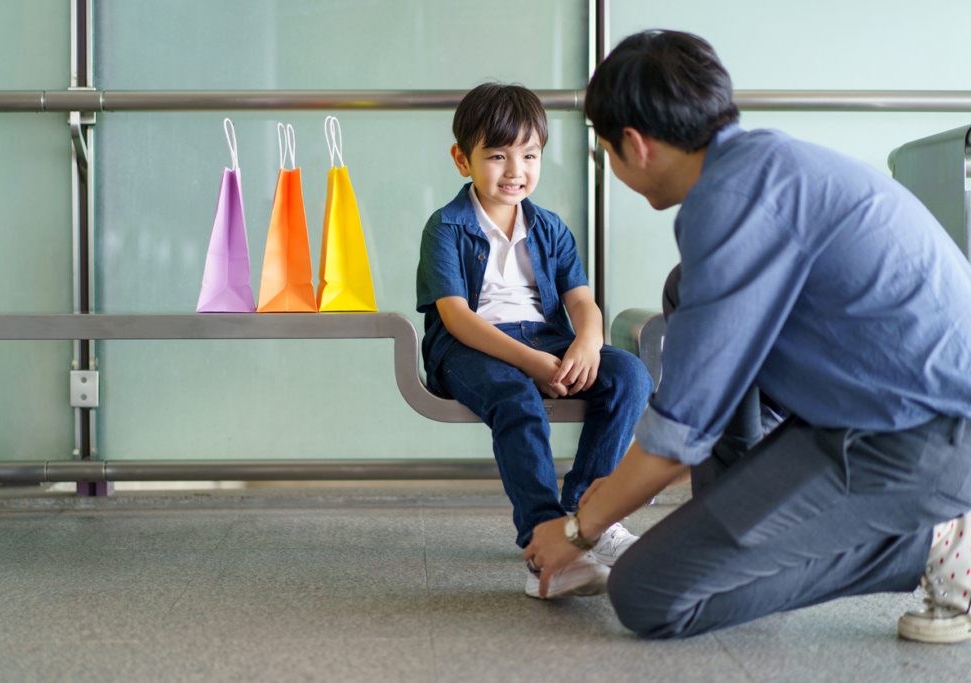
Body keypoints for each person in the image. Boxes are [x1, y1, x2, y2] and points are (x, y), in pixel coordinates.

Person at [523, 29, 971, 643]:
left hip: (925, 438)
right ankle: (745, 516)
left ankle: (936, 544)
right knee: (685, 288)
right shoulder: (759, 166)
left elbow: (681, 429)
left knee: (647, 592)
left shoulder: (732, 203)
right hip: (874, 411)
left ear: (634, 144)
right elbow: (711, 390)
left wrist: (580, 527)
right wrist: (640, 480)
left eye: (604, 151)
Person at [416, 83, 653, 598]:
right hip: (469, 348)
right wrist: (533, 363)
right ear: (463, 160)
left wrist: (586, 344)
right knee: (515, 397)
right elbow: (455, 317)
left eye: (529, 155)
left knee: (630, 374)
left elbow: (583, 304)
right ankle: (545, 542)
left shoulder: (550, 228)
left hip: (546, 339)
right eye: (497, 156)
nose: (515, 171)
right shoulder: (446, 228)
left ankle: (590, 517)